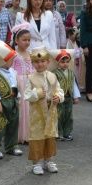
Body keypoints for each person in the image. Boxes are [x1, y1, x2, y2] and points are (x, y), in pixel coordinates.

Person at [24, 47, 64, 175]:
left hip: (51, 111)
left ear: (47, 62)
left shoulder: (52, 76)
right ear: (33, 63)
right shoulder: (30, 78)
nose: (40, 64)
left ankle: (49, 160)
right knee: (37, 136)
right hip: (37, 114)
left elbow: (59, 90)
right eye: (36, 62)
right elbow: (27, 95)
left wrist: (59, 96)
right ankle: (37, 163)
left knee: (50, 136)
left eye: (43, 61)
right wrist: (38, 93)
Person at [0, 41, 22, 159]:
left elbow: (15, 85)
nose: (12, 61)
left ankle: (11, 145)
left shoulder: (13, 71)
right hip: (2, 102)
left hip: (13, 101)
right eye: (10, 59)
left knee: (13, 124)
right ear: (2, 60)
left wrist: (19, 97)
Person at [50, 49, 80, 141]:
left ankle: (67, 133)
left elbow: (74, 85)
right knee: (59, 115)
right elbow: (52, 85)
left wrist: (76, 96)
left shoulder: (71, 73)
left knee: (68, 115)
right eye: (62, 62)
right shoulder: (54, 73)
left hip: (69, 97)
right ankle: (58, 133)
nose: (65, 64)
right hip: (59, 98)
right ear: (58, 62)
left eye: (67, 62)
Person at [11, 24, 33, 144]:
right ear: (16, 40)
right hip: (19, 82)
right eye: (24, 40)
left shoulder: (30, 53)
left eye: (29, 40)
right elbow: (11, 70)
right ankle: (19, 134)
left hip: (29, 82)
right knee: (21, 107)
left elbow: (33, 68)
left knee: (29, 108)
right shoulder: (13, 54)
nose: (27, 42)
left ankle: (29, 134)